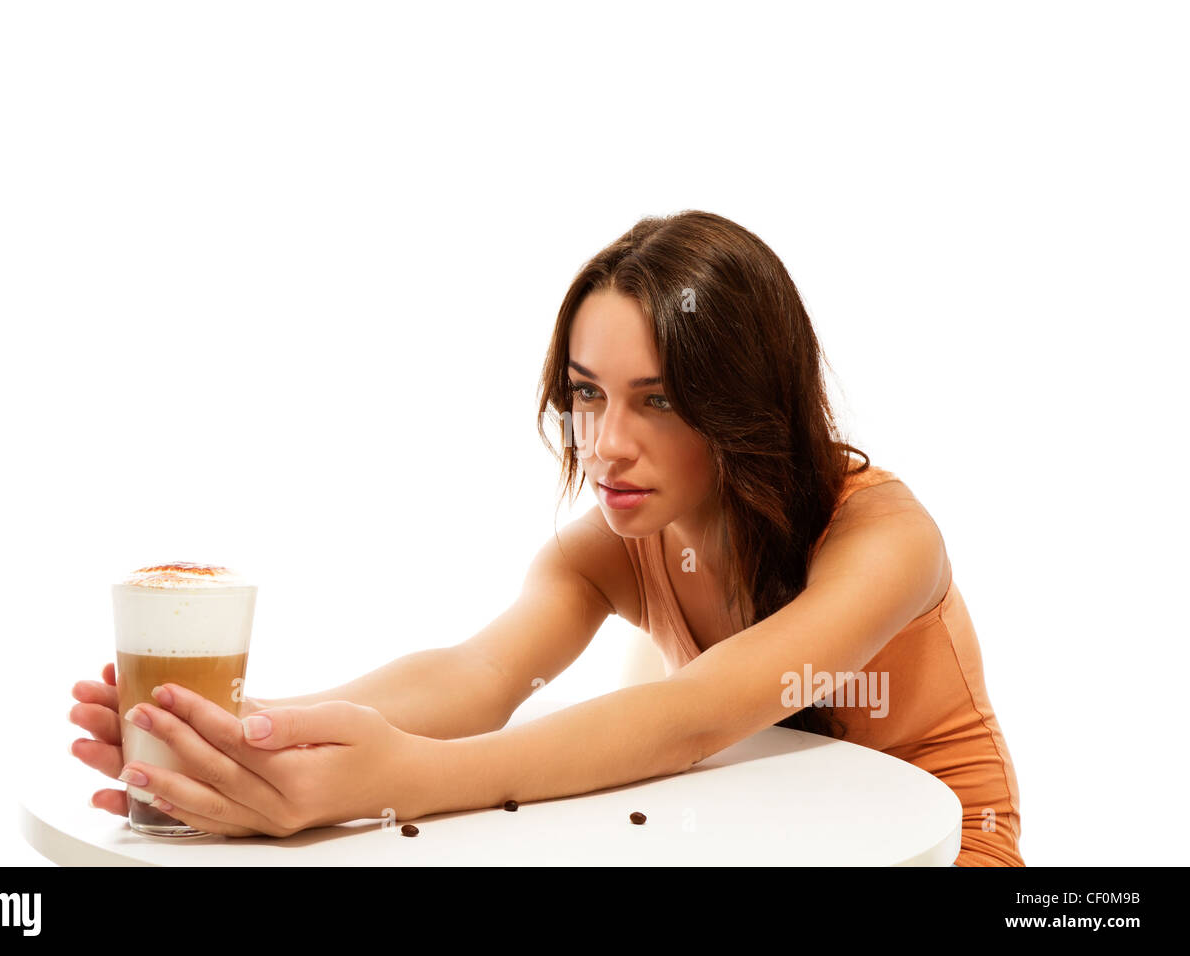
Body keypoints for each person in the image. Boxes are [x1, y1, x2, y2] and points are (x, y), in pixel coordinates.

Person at [69, 210, 1024, 865]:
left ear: (742, 402)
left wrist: (410, 780)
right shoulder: (614, 545)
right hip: (769, 838)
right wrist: (238, 738)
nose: (607, 445)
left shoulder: (884, 536)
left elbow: (691, 716)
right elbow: (476, 675)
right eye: (586, 393)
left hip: (935, 848)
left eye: (659, 400)